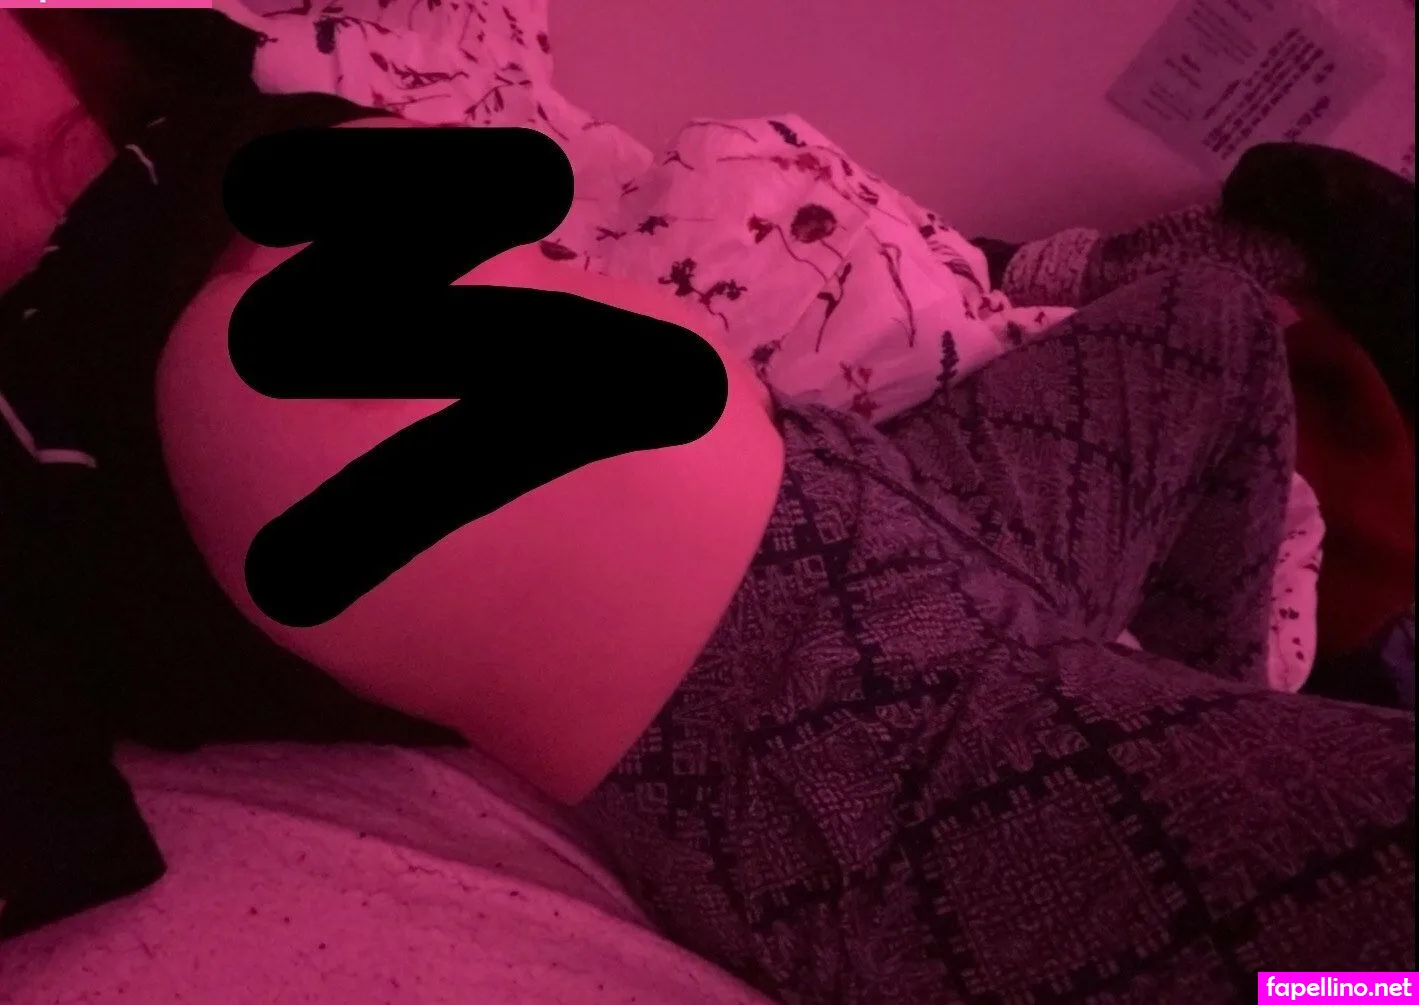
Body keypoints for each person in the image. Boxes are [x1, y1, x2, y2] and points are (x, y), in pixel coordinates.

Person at [6, 10, 1415, 1002]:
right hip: (926, 722)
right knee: (1350, 973)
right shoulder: (85, 390)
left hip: (911, 560)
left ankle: (1206, 697)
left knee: (1214, 316)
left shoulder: (228, 124)